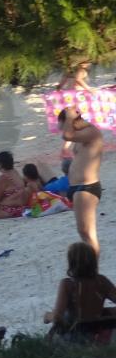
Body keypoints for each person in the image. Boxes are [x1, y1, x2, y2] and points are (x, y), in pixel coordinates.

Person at [45, 242, 116, 339]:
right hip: (99, 332)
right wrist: (107, 311)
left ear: (71, 262)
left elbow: (57, 317)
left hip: (76, 336)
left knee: (63, 320)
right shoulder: (102, 281)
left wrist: (47, 316)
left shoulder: (67, 284)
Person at [59, 106, 104, 254]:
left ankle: (93, 267)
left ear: (72, 121)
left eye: (64, 125)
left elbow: (67, 135)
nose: (63, 129)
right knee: (83, 232)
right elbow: (68, 137)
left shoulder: (91, 131)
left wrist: (69, 117)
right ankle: (90, 265)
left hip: (87, 187)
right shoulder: (81, 134)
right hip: (78, 187)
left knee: (88, 233)